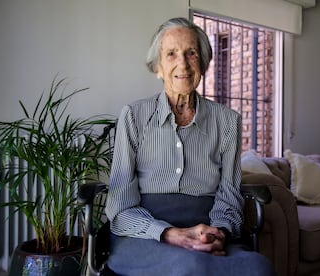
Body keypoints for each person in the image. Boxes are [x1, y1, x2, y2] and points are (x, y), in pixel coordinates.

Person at [105, 17, 276, 275]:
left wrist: (220, 233)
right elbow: (120, 206)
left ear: (203, 63)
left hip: (206, 227)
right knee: (191, 267)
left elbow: (229, 193)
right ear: (158, 67)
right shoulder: (134, 116)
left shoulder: (227, 121)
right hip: (144, 233)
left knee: (258, 268)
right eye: (171, 54)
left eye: (191, 53)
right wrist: (168, 233)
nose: (182, 64)